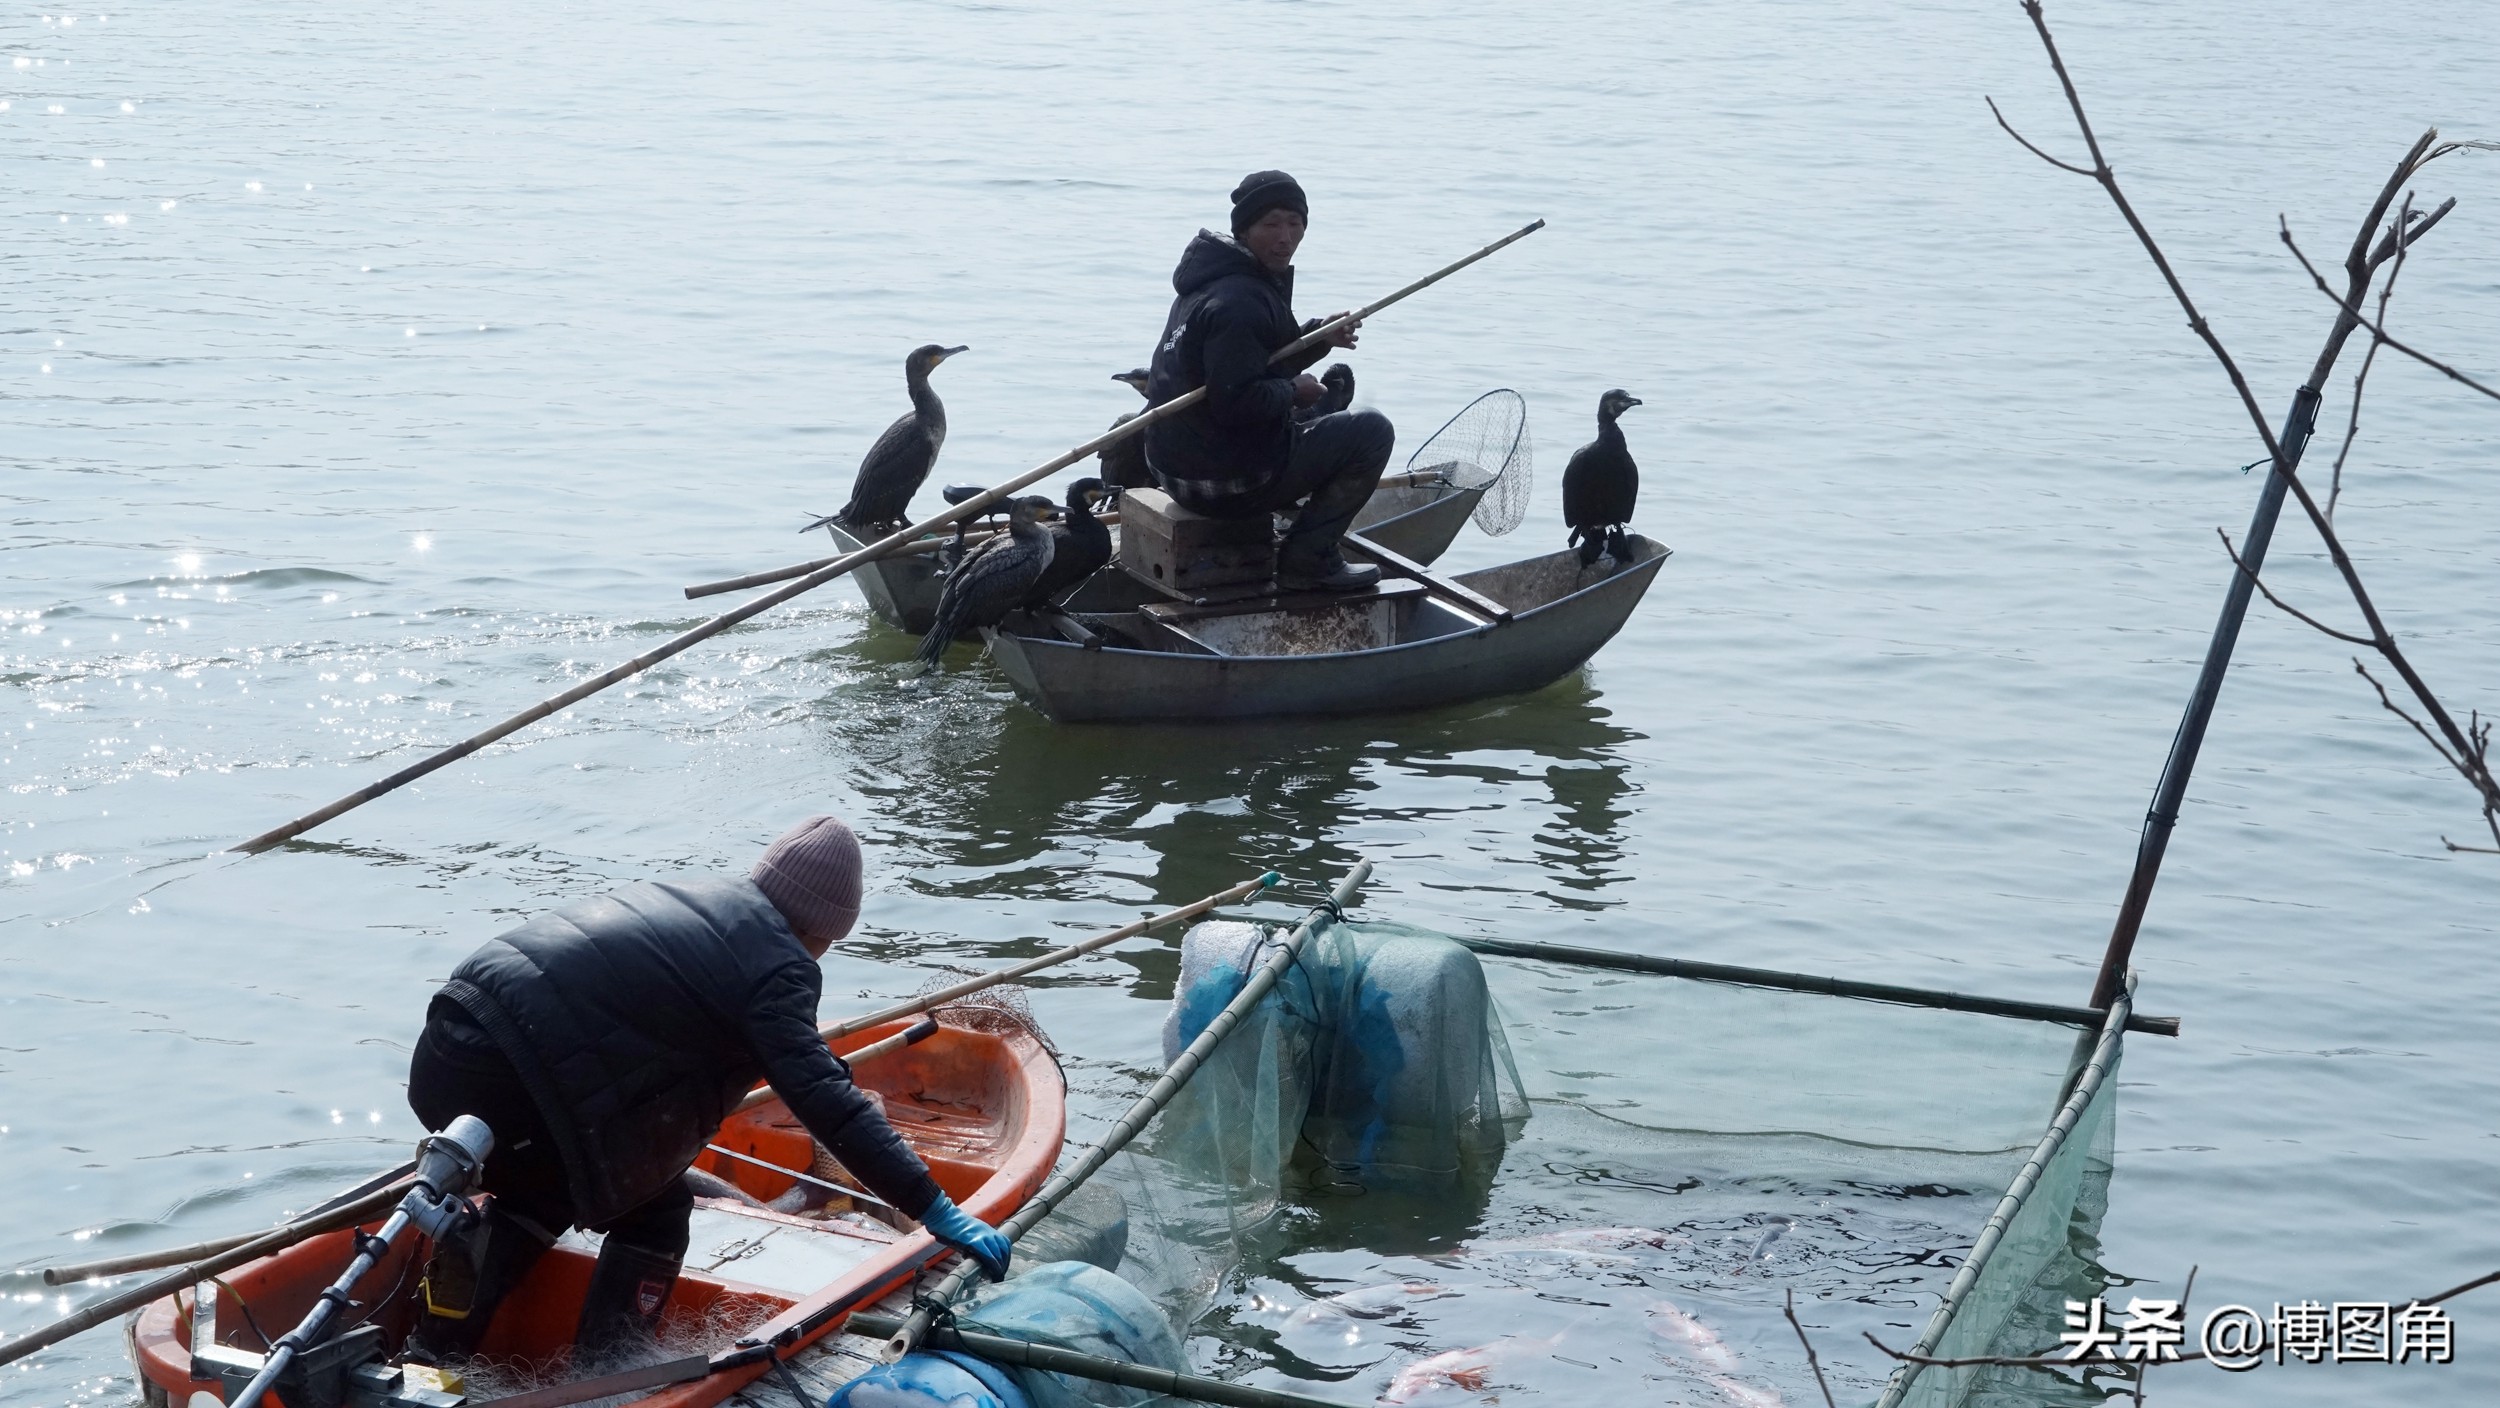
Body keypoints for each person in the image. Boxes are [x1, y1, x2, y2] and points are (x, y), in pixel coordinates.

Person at [401, 816, 1010, 1365]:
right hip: (523, 1077)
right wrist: (933, 1206)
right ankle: (610, 1377)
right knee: (656, 1215)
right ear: (825, 929)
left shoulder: (703, 899)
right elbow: (824, 1099)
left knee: (539, 1190)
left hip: (447, 1053)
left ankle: (432, 1353)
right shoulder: (778, 964)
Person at [1143, 170, 1393, 592]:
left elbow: (1254, 359)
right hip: (1221, 485)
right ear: (1244, 229)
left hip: (1171, 468)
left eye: (1295, 223)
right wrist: (1294, 391)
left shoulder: (1209, 279)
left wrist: (1319, 337)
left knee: (1316, 415)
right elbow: (1235, 401)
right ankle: (1309, 561)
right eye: (1271, 224)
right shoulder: (1240, 302)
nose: (1285, 238)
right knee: (1371, 432)